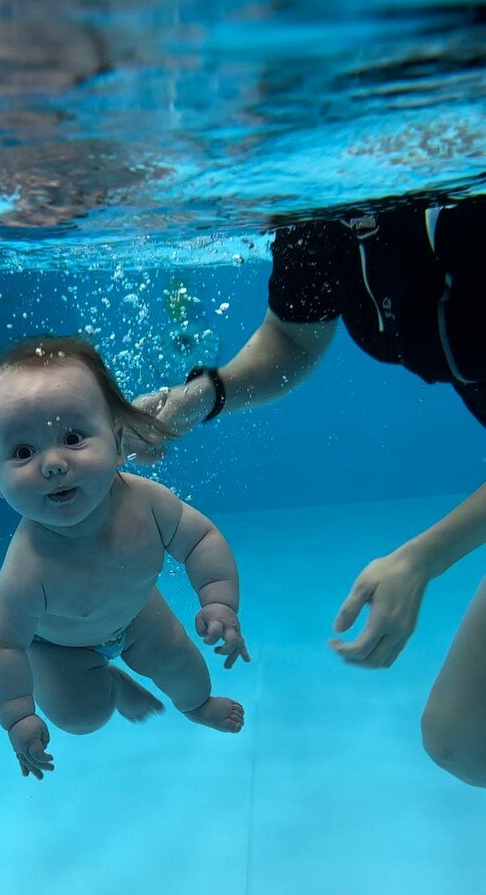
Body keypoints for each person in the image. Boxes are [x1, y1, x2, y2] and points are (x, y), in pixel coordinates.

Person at [128, 195, 486, 787]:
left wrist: (421, 560)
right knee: (460, 738)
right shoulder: (322, 212)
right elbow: (293, 341)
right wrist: (204, 395)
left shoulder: (468, 207)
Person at [0, 336, 249, 780]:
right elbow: (4, 645)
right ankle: (113, 685)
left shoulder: (148, 504)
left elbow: (200, 541)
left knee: (187, 671)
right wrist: (18, 716)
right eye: (23, 452)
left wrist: (218, 602)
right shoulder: (27, 567)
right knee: (82, 718)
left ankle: (196, 707)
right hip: (58, 648)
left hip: (139, 615)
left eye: (73, 437)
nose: (53, 463)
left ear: (117, 442)